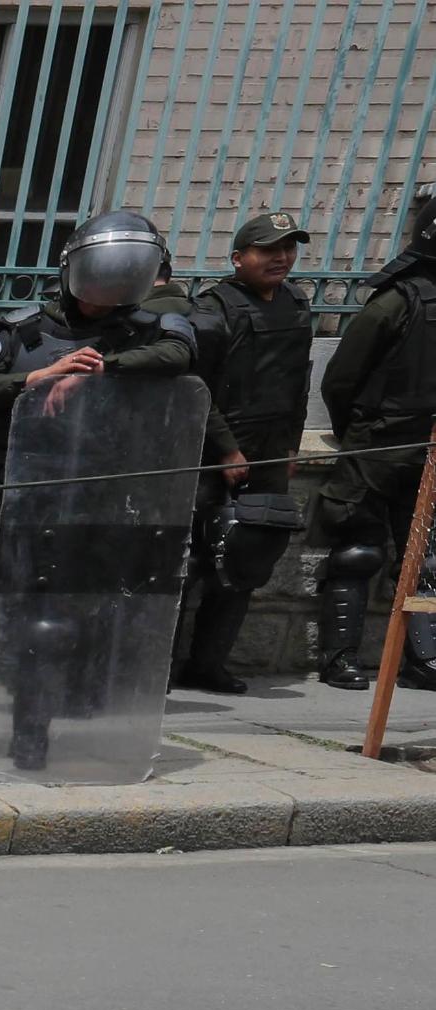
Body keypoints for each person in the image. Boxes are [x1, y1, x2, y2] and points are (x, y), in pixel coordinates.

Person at [0, 212, 199, 766]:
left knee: (58, 616)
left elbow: (182, 356)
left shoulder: (153, 328)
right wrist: (37, 379)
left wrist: (98, 371)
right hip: (8, 488)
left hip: (89, 491)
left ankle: (33, 729)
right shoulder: (22, 330)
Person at [174, 212, 316, 695]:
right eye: (269, 249)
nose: (281, 258)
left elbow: (297, 383)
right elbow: (196, 388)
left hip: (271, 451)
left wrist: (291, 444)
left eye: (288, 248)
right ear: (239, 259)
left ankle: (209, 663)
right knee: (188, 563)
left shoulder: (296, 303)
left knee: (247, 562)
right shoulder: (213, 310)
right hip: (215, 454)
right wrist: (227, 449)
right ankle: (163, 666)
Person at [309, 183, 436, 695]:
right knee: (358, 550)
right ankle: (340, 657)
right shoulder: (395, 303)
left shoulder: (398, 301)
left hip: (422, 449)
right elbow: (341, 379)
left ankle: (422, 659)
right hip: (378, 444)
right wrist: (356, 434)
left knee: (425, 557)